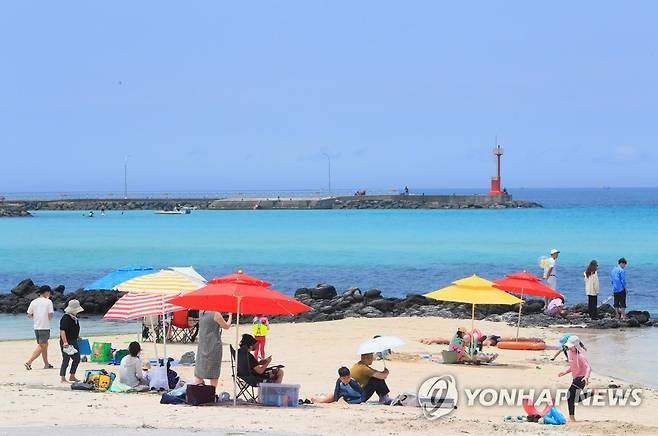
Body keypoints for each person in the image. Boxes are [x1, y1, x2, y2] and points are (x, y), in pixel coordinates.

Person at [558, 336, 593, 422]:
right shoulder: (570, 353)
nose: (569, 347)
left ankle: (572, 418)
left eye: (571, 346)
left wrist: (586, 377)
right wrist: (565, 372)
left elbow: (588, 367)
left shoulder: (580, 356)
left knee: (569, 396)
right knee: (574, 398)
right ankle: (592, 393)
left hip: (582, 379)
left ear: (576, 346)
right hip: (575, 378)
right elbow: (573, 366)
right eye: (569, 345)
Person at [194, 311, 232, 387]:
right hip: (213, 345)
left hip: (202, 344)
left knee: (199, 372)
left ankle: (198, 392)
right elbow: (226, 326)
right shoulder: (216, 314)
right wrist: (230, 316)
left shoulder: (201, 312)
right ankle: (212, 393)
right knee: (214, 372)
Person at [25, 287, 55, 370]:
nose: (49, 294)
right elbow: (50, 316)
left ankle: (46, 364)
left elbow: (29, 315)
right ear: (46, 292)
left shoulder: (33, 302)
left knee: (44, 345)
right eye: (49, 292)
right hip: (44, 327)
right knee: (42, 346)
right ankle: (29, 362)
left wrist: (36, 318)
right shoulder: (48, 302)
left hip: (36, 327)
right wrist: (46, 318)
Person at [59, 300, 84, 383]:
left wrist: (77, 336)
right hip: (66, 341)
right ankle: (62, 377)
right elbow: (62, 331)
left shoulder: (74, 318)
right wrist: (65, 342)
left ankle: (72, 376)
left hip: (73, 340)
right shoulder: (66, 318)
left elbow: (73, 329)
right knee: (66, 359)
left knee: (77, 358)